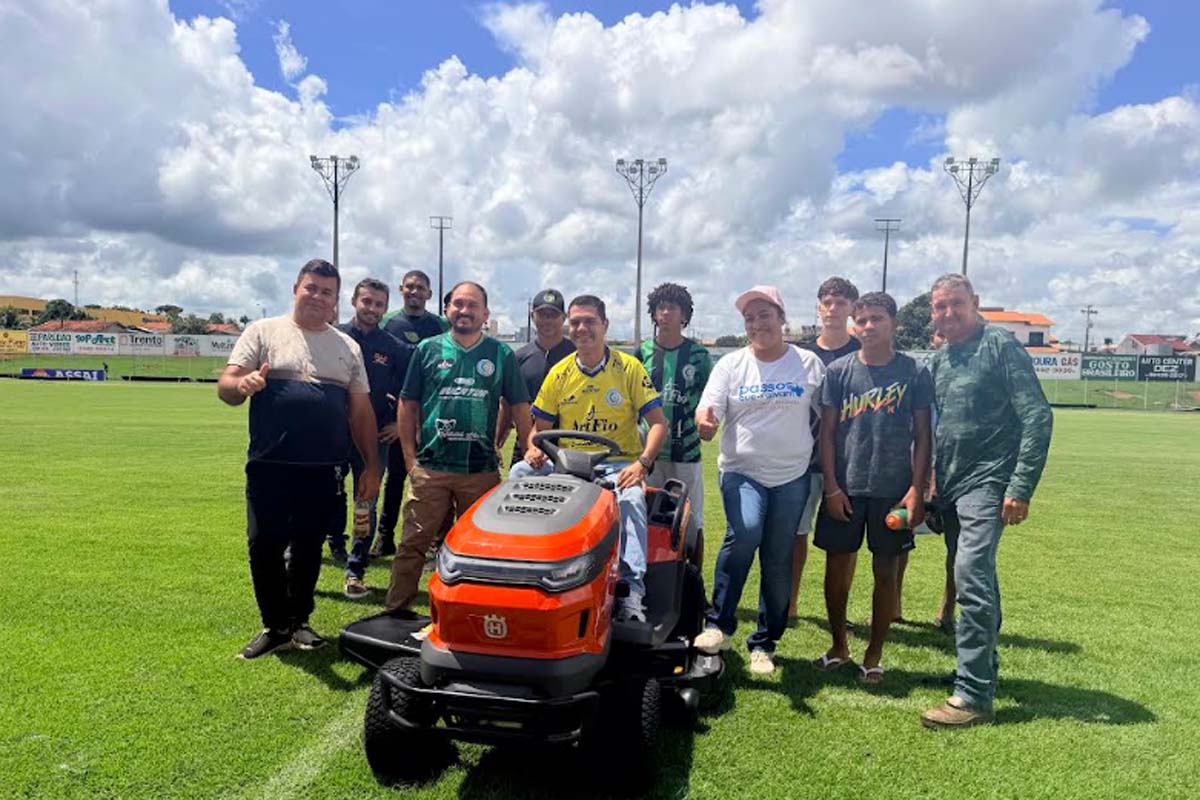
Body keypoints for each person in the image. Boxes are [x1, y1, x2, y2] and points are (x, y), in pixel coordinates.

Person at [218, 259, 381, 660]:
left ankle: (300, 622)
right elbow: (226, 386)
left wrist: (371, 466)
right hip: (270, 464)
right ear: (296, 289)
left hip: (323, 468)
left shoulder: (347, 347)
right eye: (311, 288)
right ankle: (275, 626)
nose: (317, 296)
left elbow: (360, 412)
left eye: (326, 292)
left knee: (309, 548)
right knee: (263, 545)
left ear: (335, 301)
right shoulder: (263, 332)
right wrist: (244, 383)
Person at [919, 274, 1053, 729]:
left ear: (975, 304)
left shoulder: (1000, 347)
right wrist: (934, 482)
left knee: (970, 576)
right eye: (940, 307)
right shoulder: (941, 361)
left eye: (956, 304)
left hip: (990, 482)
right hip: (952, 489)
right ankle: (983, 673)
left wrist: (1020, 486)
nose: (948, 313)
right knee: (978, 577)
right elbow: (940, 427)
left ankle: (972, 694)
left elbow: (1036, 416)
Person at [693, 286, 825, 675]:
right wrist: (706, 421)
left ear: (781, 318)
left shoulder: (809, 364)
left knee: (778, 558)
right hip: (741, 472)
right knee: (746, 531)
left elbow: (829, 417)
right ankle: (719, 624)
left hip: (792, 476)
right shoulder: (731, 365)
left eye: (764, 315)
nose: (756, 324)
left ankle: (765, 643)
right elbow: (709, 406)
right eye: (749, 318)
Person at [513, 295, 669, 623]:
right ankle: (522, 569)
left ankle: (631, 589)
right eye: (577, 322)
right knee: (519, 473)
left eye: (590, 321)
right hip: (566, 464)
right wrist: (533, 448)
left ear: (605, 326)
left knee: (630, 498)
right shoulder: (560, 372)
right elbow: (537, 430)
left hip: (616, 464)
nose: (582, 328)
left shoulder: (628, 368)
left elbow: (658, 424)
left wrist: (642, 464)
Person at [384, 282, 532, 612]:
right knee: (412, 544)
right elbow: (408, 404)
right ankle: (396, 610)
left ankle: (472, 611)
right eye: (458, 304)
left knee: (479, 548)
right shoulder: (427, 349)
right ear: (447, 309)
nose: (465, 311)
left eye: (473, 305)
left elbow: (519, 405)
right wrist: (410, 459)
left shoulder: (500, 354)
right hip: (432, 467)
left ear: (485, 313)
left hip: (479, 471)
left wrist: (530, 447)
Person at [812, 292, 932, 684]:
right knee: (837, 567)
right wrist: (831, 487)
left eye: (877, 319)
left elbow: (923, 436)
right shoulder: (840, 372)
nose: (867, 327)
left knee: (885, 572)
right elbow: (827, 434)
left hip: (892, 490)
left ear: (893, 324)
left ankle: (874, 653)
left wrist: (916, 490)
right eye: (861, 321)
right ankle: (839, 646)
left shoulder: (913, 372)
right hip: (846, 487)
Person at [334, 279, 413, 599]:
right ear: (354, 301)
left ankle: (356, 569)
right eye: (367, 301)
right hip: (333, 433)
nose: (372, 309)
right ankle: (332, 543)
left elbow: (412, 390)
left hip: (374, 438)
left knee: (366, 500)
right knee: (327, 496)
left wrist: (397, 423)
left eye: (379, 304)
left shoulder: (393, 346)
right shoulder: (334, 337)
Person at [790, 277, 862, 619]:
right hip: (803, 458)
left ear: (852, 309)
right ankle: (789, 605)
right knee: (795, 533)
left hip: (847, 462)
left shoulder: (861, 353)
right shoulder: (800, 355)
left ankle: (839, 610)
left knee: (845, 542)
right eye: (827, 302)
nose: (833, 309)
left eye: (841, 303)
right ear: (819, 307)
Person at [372, 270, 451, 558]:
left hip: (434, 418)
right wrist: (397, 419)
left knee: (437, 482)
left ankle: (436, 543)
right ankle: (384, 537)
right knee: (394, 479)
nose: (414, 292)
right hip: (397, 416)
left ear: (429, 294)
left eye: (421, 288)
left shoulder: (441, 325)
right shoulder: (388, 322)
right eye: (409, 287)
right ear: (401, 290)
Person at [638, 282, 711, 561]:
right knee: (648, 518)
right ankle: (651, 581)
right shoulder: (641, 353)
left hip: (686, 453)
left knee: (691, 522)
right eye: (660, 307)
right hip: (649, 454)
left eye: (672, 307)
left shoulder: (699, 356)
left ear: (684, 315)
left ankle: (694, 586)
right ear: (654, 314)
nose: (666, 313)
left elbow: (709, 400)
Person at [495, 289, 574, 466]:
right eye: (542, 314)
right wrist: (497, 442)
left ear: (564, 318)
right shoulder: (518, 358)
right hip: (527, 446)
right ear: (532, 316)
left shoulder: (576, 356)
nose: (547, 320)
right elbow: (507, 406)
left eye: (553, 314)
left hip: (568, 445)